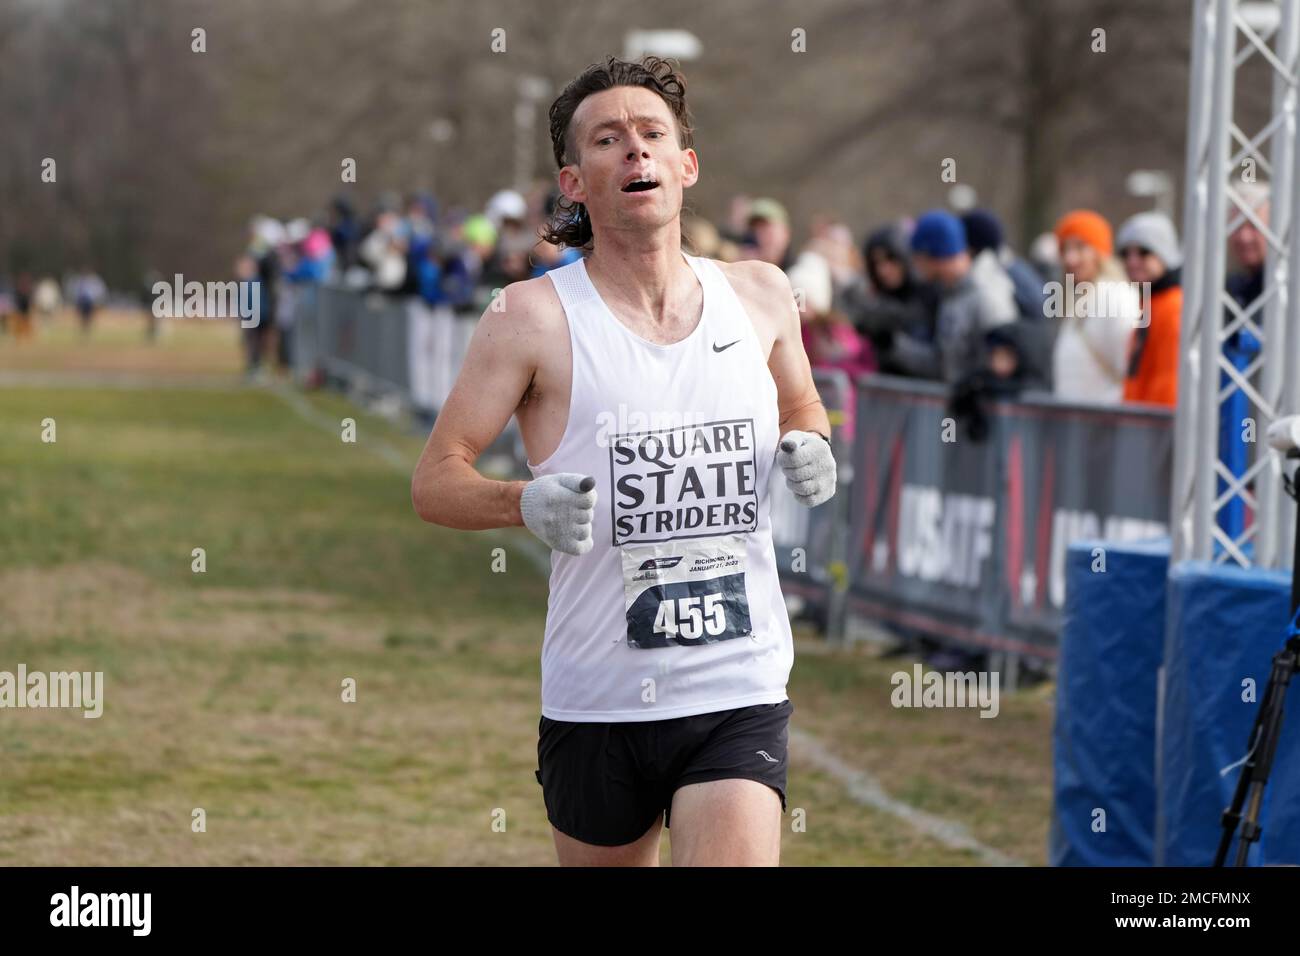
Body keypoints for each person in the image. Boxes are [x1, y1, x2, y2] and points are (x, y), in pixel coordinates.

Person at [410, 55, 835, 867]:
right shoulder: (529, 318)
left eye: (652, 135)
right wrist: (520, 504)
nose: (635, 152)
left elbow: (802, 406)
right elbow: (436, 481)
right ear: (574, 181)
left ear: (686, 164)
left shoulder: (762, 294)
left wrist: (813, 445)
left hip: (735, 683)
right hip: (597, 693)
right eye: (608, 140)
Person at [886, 210, 1013, 384]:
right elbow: (945, 364)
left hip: (980, 408)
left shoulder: (987, 296)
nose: (915, 266)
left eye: (918, 258)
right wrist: (895, 346)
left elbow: (1004, 363)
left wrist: (980, 389)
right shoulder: (951, 294)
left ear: (932, 255)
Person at [1049, 209, 1140, 404]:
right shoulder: (1079, 298)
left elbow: (1128, 371)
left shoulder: (1117, 297)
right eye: (1065, 249)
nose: (1070, 259)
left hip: (1103, 423)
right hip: (1078, 423)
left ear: (1099, 253)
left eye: (1080, 248)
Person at [1116, 212, 1182, 407]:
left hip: (1154, 428)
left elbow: (1169, 380)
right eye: (1126, 254)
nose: (1132, 261)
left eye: (1144, 252)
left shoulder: (1174, 306)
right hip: (1141, 426)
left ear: (1165, 255)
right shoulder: (1151, 303)